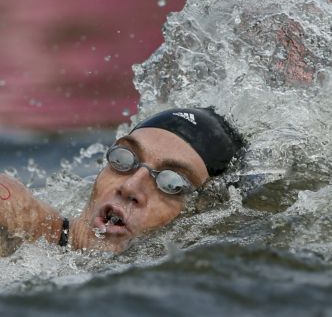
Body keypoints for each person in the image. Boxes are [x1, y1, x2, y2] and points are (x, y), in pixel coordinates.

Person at [0, 107, 244, 255]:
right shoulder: (17, 221)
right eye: (124, 159)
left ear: (205, 213)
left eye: (172, 183)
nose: (130, 187)